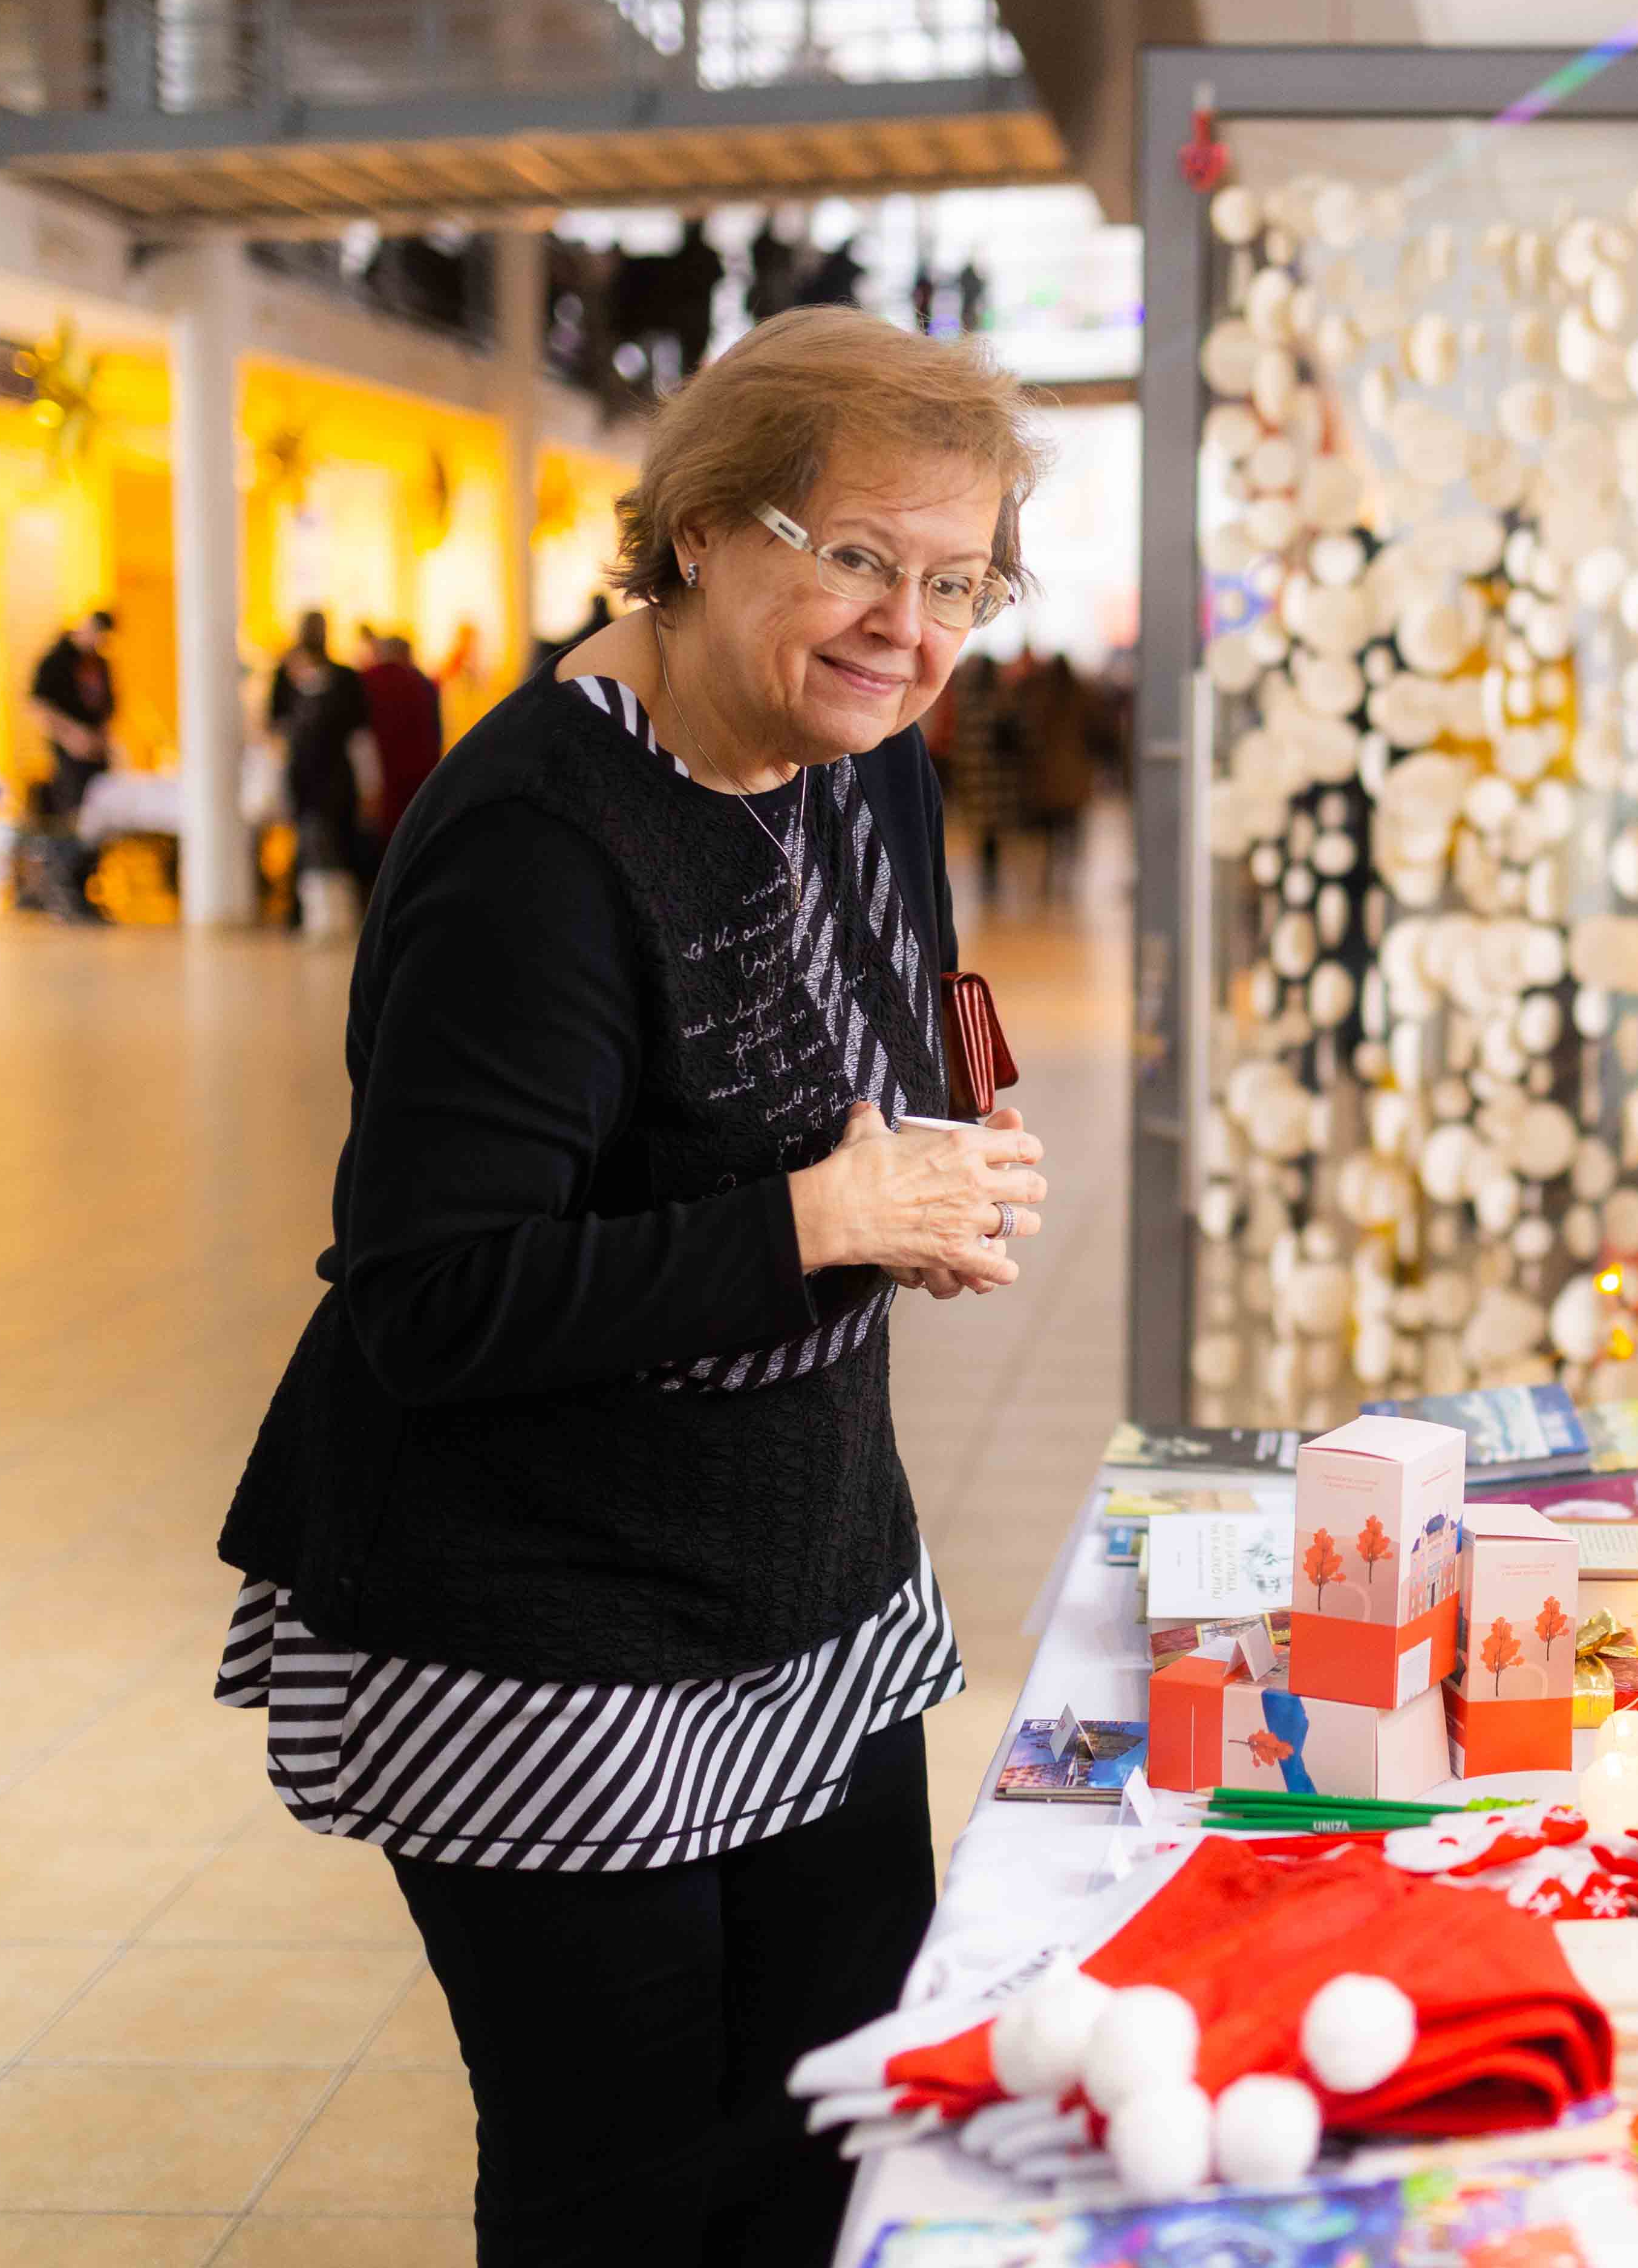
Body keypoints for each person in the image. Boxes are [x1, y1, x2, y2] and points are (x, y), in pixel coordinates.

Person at [214, 305, 1051, 2268]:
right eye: (856, 556)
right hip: (544, 1620)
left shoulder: (863, 755)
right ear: (695, 531)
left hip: (808, 1569)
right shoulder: (536, 839)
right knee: (625, 2182)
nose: (905, 627)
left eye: (955, 582)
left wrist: (924, 1181)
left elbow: (882, 1037)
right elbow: (434, 1297)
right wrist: (818, 1221)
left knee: (836, 2121)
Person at [268, 611, 372, 904]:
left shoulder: (345, 678)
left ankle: (337, 907)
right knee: (306, 842)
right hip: (304, 776)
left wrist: (369, 784)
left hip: (335, 776)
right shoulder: (287, 677)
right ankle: (306, 908)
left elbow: (360, 737)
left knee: (339, 842)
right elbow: (276, 727)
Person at [27, 607, 119, 821]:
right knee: (73, 808)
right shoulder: (56, 661)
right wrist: (71, 735)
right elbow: (39, 705)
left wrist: (103, 738)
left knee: (101, 805)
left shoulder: (99, 663)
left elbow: (107, 706)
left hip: (97, 750)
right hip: (69, 753)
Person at [357, 627, 448, 844]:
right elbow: (435, 736)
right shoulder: (424, 685)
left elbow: (359, 739)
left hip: (378, 781)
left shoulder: (365, 682)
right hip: (417, 780)